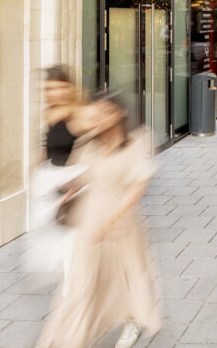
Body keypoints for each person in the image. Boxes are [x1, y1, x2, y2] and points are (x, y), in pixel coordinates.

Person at [36, 94, 159, 348]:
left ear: (118, 114)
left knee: (127, 275)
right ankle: (64, 339)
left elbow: (139, 186)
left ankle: (133, 319)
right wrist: (67, 189)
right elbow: (83, 176)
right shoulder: (87, 144)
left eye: (102, 114)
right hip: (90, 220)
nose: (96, 120)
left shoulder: (138, 141)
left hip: (123, 223)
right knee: (81, 281)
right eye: (94, 115)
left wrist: (113, 219)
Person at [28, 67, 84, 279]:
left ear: (70, 88)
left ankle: (75, 291)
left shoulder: (79, 113)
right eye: (47, 89)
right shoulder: (47, 112)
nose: (52, 93)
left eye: (58, 88)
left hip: (73, 182)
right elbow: (45, 147)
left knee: (72, 239)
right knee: (54, 236)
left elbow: (89, 150)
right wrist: (33, 174)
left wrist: (74, 183)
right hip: (52, 179)